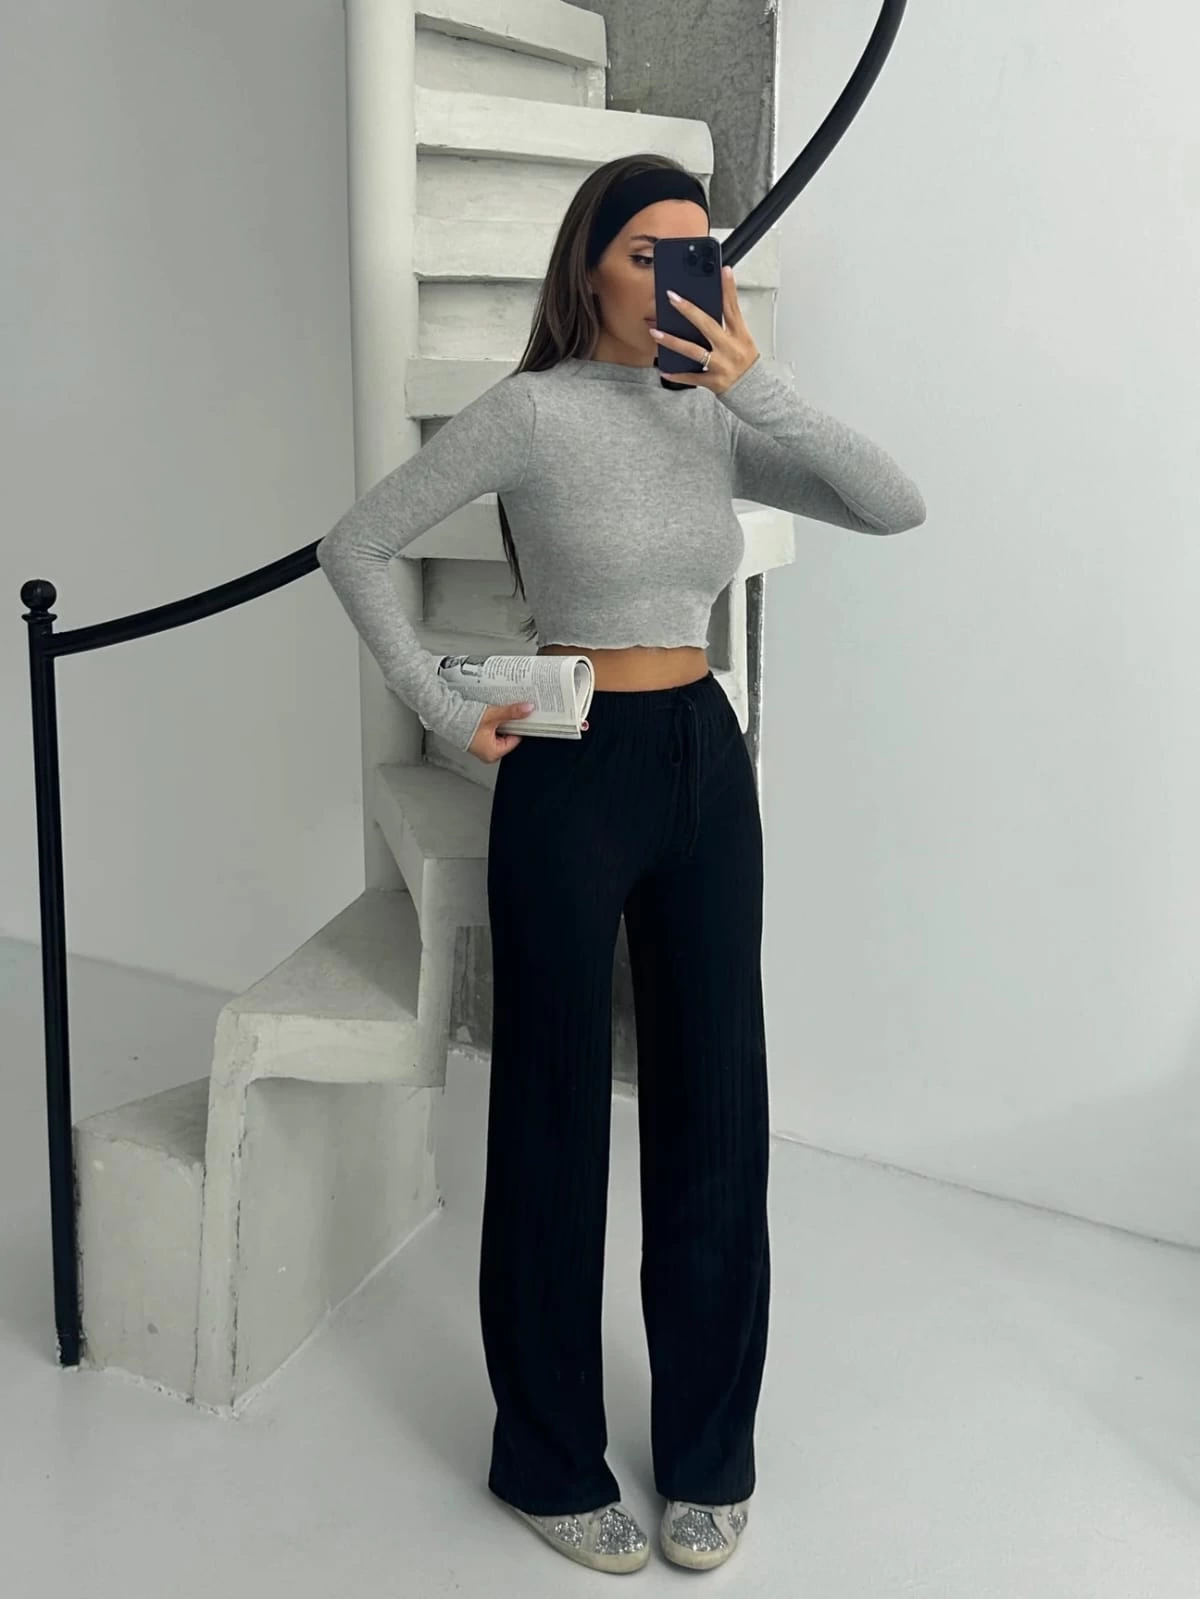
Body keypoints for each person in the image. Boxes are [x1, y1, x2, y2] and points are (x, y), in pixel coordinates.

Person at [315, 153, 926, 1575]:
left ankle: (711, 1454)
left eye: (696, 250)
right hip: (572, 762)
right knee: (550, 1111)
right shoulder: (532, 412)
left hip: (703, 758)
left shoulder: (709, 410)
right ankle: (545, 1458)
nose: (676, 274)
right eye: (649, 251)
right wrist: (447, 711)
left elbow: (893, 503)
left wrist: (753, 385)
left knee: (715, 1105)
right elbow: (357, 545)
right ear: (587, 263)